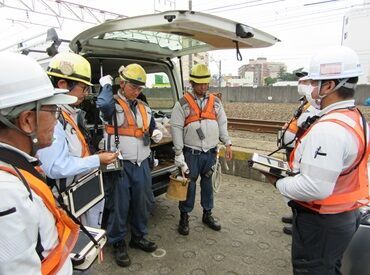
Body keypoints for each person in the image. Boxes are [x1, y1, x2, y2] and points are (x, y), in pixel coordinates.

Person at [269, 46, 369, 275]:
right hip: (342, 216)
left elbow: (314, 187)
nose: (310, 88)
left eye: (314, 83)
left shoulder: (329, 130)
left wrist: (277, 182)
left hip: (322, 222)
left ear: (330, 86)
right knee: (329, 268)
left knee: (312, 270)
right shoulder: (355, 118)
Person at [0, 53, 79, 274]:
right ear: (26, 120)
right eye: (52, 111)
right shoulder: (6, 194)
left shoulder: (16, 166)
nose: (56, 120)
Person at [37, 52, 118, 228]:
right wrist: (97, 159)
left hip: (82, 193)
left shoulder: (69, 114)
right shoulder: (53, 119)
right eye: (83, 88)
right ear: (63, 84)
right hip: (67, 202)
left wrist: (94, 154)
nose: (86, 94)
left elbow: (74, 150)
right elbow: (56, 167)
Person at [97, 64, 163, 267]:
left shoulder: (143, 106)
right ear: (122, 83)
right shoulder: (111, 106)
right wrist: (106, 86)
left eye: (140, 88)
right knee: (119, 205)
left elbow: (150, 126)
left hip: (142, 163)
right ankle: (117, 242)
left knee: (142, 202)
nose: (137, 91)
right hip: (120, 164)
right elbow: (103, 105)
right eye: (134, 87)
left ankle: (138, 237)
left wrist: (154, 132)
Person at [170, 63, 233, 236]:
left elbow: (222, 123)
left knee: (207, 185)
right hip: (191, 153)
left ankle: (207, 214)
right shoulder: (182, 104)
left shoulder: (216, 102)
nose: (203, 87)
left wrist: (227, 143)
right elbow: (175, 128)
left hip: (210, 153)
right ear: (192, 82)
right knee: (188, 186)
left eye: (205, 83)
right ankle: (184, 216)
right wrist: (178, 154)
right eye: (199, 84)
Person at [279, 70, 319, 235]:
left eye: (304, 82)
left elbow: (304, 124)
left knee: (299, 186)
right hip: (294, 148)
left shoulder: (315, 104)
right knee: (295, 182)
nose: (300, 85)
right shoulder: (306, 101)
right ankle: (295, 215)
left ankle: (299, 223)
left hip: (302, 151)